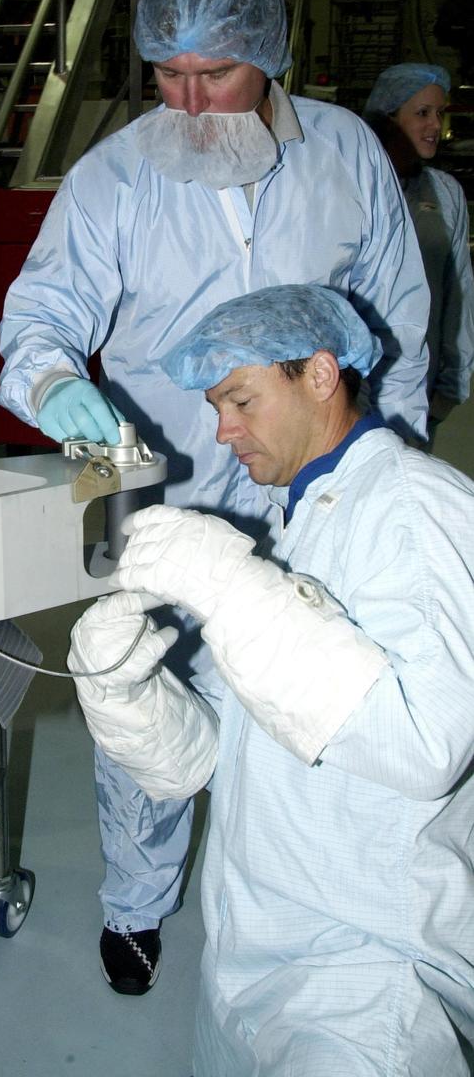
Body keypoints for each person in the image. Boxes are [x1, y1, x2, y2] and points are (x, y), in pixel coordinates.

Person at [0, 0, 431, 993]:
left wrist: (390, 461)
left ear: (271, 57)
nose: (187, 98)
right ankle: (136, 902)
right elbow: (41, 317)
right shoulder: (117, 172)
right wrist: (65, 397)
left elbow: (399, 317)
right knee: (137, 685)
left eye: (214, 73)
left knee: (305, 673)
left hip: (312, 475)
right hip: (150, 470)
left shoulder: (341, 155)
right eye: (167, 72)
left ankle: (294, 889)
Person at [68, 284, 474, 1076]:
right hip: (251, 952)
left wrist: (230, 588)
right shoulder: (297, 522)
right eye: (218, 407)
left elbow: (426, 746)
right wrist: (129, 698)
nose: (222, 433)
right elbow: (236, 754)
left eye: (240, 401)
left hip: (366, 976)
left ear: (319, 375)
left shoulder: (417, 513)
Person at [364, 62, 474, 444]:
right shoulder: (359, 184)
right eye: (422, 113)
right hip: (357, 379)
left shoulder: (444, 193)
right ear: (390, 118)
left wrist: (453, 380)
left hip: (420, 380)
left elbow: (458, 291)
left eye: (439, 113)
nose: (435, 126)